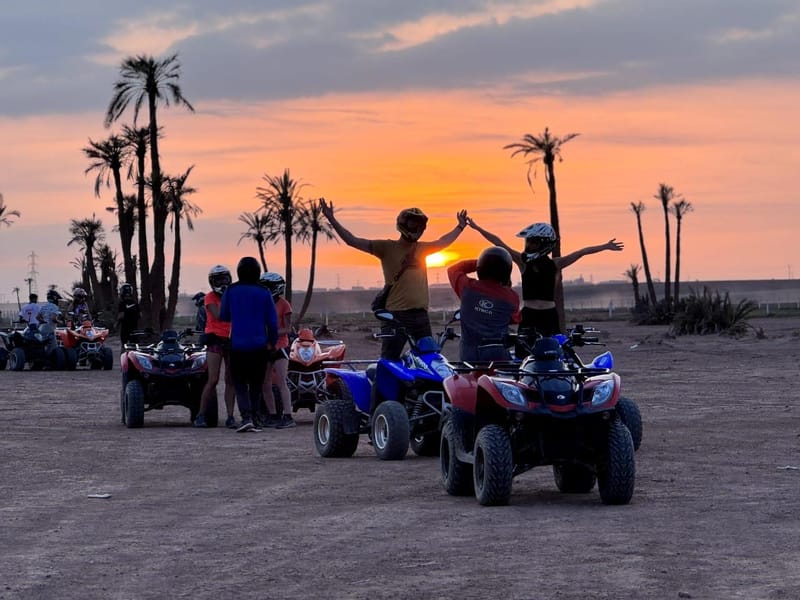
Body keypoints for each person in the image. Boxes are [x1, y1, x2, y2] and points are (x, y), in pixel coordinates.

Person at [320, 199, 469, 360]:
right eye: (413, 224)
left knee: (429, 359)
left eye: (419, 225)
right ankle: (379, 386)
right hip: (395, 316)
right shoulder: (386, 248)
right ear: (403, 225)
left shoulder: (422, 248)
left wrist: (460, 227)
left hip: (421, 316)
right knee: (389, 360)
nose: (417, 229)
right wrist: (331, 219)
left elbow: (443, 242)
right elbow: (353, 241)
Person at [468, 219, 623, 338]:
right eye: (528, 241)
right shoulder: (523, 262)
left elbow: (582, 251)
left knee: (555, 354)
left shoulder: (555, 264)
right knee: (523, 355)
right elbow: (499, 242)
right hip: (529, 315)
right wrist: (477, 227)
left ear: (543, 242)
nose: (528, 245)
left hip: (549, 316)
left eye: (532, 242)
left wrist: (605, 246)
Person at [219, 256, 278, 433]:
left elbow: (224, 315)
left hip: (237, 345)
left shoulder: (231, 290)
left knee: (239, 383)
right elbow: (273, 323)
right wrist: (272, 343)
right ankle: (255, 418)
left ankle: (245, 418)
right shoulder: (264, 292)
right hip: (260, 346)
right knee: (256, 384)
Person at [447, 247, 521, 362]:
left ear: (480, 269)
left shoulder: (467, 287)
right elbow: (514, 319)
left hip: (469, 356)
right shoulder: (511, 297)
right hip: (498, 356)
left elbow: (453, 269)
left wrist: (481, 262)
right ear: (506, 271)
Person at [194, 265, 237, 429]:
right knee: (212, 379)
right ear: (212, 282)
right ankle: (201, 415)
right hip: (215, 340)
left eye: (225, 279)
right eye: (219, 280)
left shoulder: (232, 296)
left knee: (231, 380)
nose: (223, 282)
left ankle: (231, 416)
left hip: (231, 339)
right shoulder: (210, 298)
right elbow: (220, 316)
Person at [259, 272, 295, 429]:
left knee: (281, 381)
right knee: (265, 382)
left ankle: (288, 415)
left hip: (280, 346)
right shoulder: (260, 304)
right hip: (264, 346)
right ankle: (272, 415)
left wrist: (270, 332)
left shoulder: (284, 304)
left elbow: (288, 328)